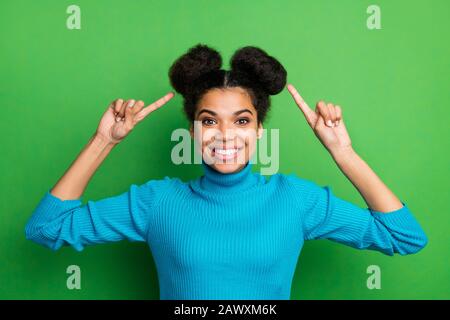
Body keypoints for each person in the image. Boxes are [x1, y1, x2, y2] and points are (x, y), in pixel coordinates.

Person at [25, 44, 428, 300]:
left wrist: (344, 154)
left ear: (257, 129)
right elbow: (46, 228)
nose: (224, 135)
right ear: (193, 130)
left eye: (240, 121)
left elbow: (404, 237)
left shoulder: (296, 201)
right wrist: (104, 141)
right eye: (209, 120)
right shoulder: (157, 202)